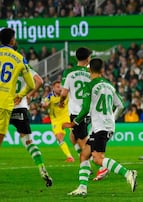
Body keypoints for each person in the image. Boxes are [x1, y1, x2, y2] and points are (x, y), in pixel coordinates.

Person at [63, 58, 137, 196]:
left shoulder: (89, 86)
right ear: (102, 70)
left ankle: (128, 173)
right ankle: (82, 188)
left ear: (89, 69)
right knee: (84, 155)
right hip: (106, 125)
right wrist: (112, 118)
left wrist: (73, 123)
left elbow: (85, 109)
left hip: (101, 127)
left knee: (97, 158)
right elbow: (121, 105)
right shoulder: (110, 86)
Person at [59, 47, 108, 181]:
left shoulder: (68, 72)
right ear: (88, 58)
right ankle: (90, 162)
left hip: (77, 112)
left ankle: (100, 164)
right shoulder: (90, 72)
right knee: (73, 137)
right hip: (88, 110)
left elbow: (63, 93)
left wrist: (61, 102)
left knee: (83, 141)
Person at [9, 67, 53, 187]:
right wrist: (29, 95)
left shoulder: (3, 64)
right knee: (29, 143)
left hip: (5, 108)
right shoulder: (22, 65)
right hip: (21, 108)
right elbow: (39, 80)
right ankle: (41, 168)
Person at [0, 28, 35, 145]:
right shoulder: (20, 58)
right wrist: (20, 95)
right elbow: (32, 84)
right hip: (5, 102)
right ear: (12, 41)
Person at [42, 80, 75, 162]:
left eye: (60, 86)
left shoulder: (66, 94)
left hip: (67, 117)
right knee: (59, 138)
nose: (60, 88)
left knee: (76, 135)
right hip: (56, 120)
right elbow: (44, 105)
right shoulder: (50, 97)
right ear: (53, 88)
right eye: (57, 87)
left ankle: (83, 153)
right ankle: (69, 157)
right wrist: (45, 106)